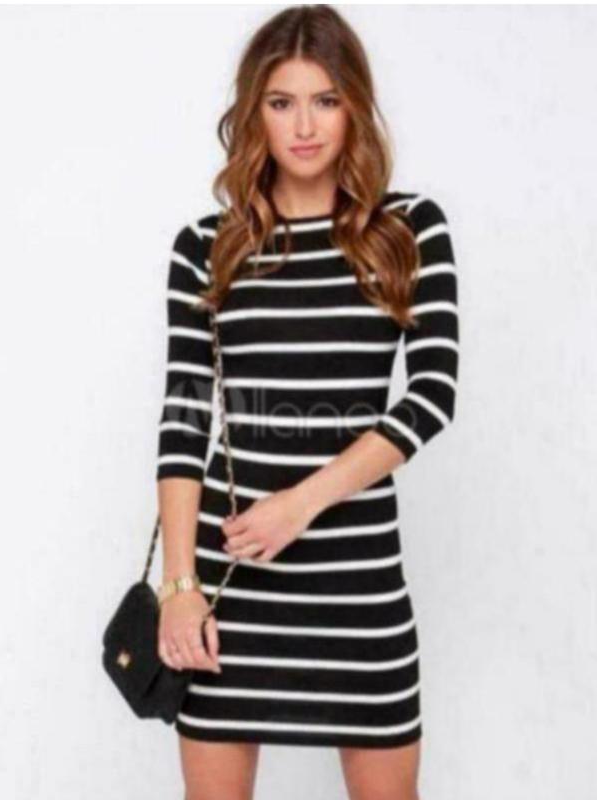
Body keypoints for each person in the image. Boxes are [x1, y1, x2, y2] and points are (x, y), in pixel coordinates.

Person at [155, 6, 459, 800]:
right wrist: (179, 588)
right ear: (253, 111)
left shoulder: (408, 232)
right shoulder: (206, 248)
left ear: (354, 106)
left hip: (359, 589)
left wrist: (301, 504)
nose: (304, 125)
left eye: (325, 100)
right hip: (232, 586)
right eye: (281, 102)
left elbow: (432, 395)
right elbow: (184, 422)